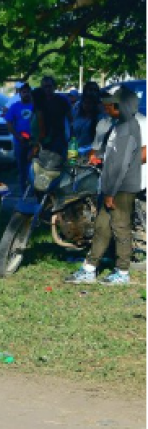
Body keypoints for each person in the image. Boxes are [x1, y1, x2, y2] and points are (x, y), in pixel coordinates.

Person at [66, 86, 142, 285]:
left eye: (111, 106)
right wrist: (99, 158)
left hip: (122, 187)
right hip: (109, 184)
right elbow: (109, 155)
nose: (106, 109)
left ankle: (123, 272)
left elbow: (126, 161)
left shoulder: (132, 126)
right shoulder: (116, 125)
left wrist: (111, 190)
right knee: (102, 226)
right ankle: (89, 268)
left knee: (120, 226)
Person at [4, 83, 34, 194]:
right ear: (20, 93)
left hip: (33, 142)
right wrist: (18, 136)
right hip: (19, 142)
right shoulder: (15, 106)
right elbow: (8, 123)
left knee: (33, 168)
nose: (26, 94)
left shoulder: (35, 106)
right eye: (24, 92)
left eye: (28, 92)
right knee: (21, 168)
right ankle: (23, 191)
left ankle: (33, 190)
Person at [39, 76, 73, 156]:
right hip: (43, 137)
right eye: (45, 87)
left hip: (59, 136)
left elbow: (70, 118)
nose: (47, 89)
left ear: (54, 87)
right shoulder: (39, 101)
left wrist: (71, 134)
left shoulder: (62, 100)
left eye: (49, 86)